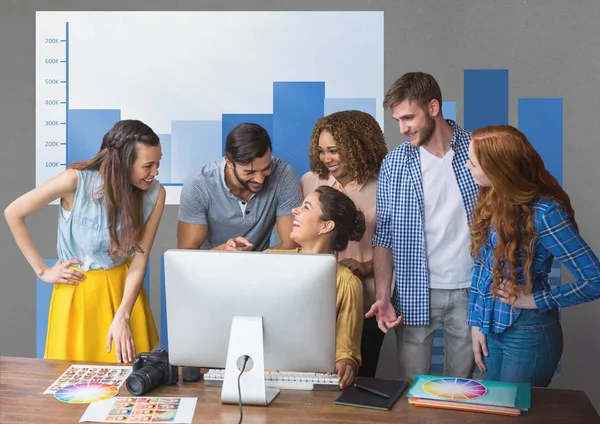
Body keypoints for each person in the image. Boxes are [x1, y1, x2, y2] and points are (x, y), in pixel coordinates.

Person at [4, 119, 165, 363]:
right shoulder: (74, 181)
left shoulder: (156, 193)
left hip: (123, 295)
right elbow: (13, 213)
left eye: (158, 163)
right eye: (148, 165)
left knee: (129, 384)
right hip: (78, 295)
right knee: (72, 385)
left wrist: (122, 316)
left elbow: (139, 261)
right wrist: (43, 271)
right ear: (122, 162)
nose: (155, 173)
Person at [366, 72, 479, 381]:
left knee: (463, 391)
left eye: (408, 118)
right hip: (416, 290)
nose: (402, 129)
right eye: (397, 120)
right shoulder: (395, 163)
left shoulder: (478, 151)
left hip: (473, 290)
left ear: (433, 107)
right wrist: (384, 296)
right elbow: (384, 235)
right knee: (412, 390)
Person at [466, 125, 600, 386]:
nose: (468, 165)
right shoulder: (489, 198)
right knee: (494, 412)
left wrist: (538, 299)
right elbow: (481, 270)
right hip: (491, 330)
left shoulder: (546, 213)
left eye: (474, 161)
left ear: (499, 168)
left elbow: (595, 280)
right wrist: (477, 324)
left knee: (518, 414)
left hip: (528, 333)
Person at [301, 110, 388, 377]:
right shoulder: (310, 182)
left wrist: (366, 265)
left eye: (334, 150)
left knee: (358, 376)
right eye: (322, 151)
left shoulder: (386, 185)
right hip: (318, 299)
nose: (326, 159)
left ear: (358, 146)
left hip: (367, 301)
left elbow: (400, 244)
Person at [267, 185, 365, 389]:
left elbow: (346, 350)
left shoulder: (346, 283)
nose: (295, 210)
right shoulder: (270, 262)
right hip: (263, 379)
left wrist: (346, 364)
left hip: (312, 387)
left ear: (326, 226)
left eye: (306, 207)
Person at [177, 122, 303, 252]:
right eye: (249, 172)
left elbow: (291, 246)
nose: (260, 179)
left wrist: (251, 261)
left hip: (262, 268)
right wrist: (224, 251)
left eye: (266, 168)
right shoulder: (198, 184)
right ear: (229, 162)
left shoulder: (284, 175)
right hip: (210, 268)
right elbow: (187, 255)